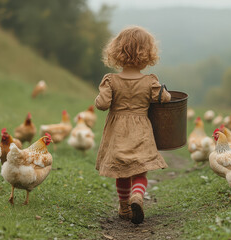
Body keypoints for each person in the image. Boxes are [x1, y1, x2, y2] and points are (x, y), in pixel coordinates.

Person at [95, 26, 171, 224]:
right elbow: (165, 98)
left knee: (122, 170)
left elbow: (102, 105)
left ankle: (124, 207)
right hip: (141, 131)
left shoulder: (110, 81)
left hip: (117, 132)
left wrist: (101, 94)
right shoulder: (149, 81)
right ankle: (137, 196)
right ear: (147, 54)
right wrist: (163, 91)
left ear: (117, 52)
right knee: (140, 170)